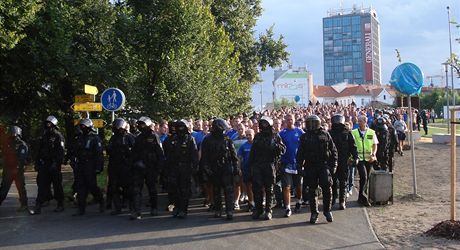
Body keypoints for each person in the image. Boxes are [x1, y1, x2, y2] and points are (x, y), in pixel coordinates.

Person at [297, 115, 337, 224]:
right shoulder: (304, 137)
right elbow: (300, 153)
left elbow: (333, 151)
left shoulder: (325, 134)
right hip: (310, 166)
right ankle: (314, 213)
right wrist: (299, 166)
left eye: (314, 123)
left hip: (323, 165)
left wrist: (334, 165)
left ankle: (327, 210)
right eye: (310, 123)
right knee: (312, 190)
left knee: (327, 187)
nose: (312, 126)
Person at [201, 118, 240, 220]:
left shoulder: (227, 139)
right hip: (214, 168)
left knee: (229, 190)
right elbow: (204, 157)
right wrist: (206, 169)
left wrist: (236, 169)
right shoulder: (207, 140)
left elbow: (233, 155)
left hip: (226, 167)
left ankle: (229, 210)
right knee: (216, 190)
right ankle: (218, 210)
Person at [249, 116, 286, 220]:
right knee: (257, 188)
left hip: (270, 165)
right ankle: (258, 209)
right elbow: (253, 152)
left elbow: (283, 150)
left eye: (266, 124)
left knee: (269, 189)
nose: (264, 126)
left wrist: (276, 146)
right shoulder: (257, 136)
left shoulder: (275, 136)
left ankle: (268, 210)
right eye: (262, 124)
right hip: (257, 165)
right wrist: (251, 165)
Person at [130, 116, 165, 220]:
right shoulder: (138, 137)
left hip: (151, 167)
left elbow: (160, 154)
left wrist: (159, 169)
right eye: (139, 124)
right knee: (136, 189)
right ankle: (136, 211)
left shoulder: (154, 137)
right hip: (139, 168)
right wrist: (134, 163)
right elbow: (134, 153)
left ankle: (154, 208)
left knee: (152, 189)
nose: (140, 126)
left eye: (143, 124)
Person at [164, 120, 199, 218]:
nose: (180, 129)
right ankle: (177, 208)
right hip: (174, 167)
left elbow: (194, 154)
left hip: (185, 167)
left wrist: (194, 167)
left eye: (181, 127)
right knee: (175, 189)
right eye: (178, 127)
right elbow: (167, 153)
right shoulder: (172, 139)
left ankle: (183, 209)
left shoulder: (190, 139)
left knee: (184, 189)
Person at [31, 116, 65, 215]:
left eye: (49, 124)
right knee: (41, 184)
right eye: (46, 124)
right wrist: (37, 163)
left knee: (57, 185)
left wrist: (56, 163)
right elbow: (39, 151)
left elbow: (61, 152)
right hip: (44, 164)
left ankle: (60, 204)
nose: (47, 125)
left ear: (54, 125)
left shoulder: (58, 136)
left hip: (54, 164)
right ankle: (38, 205)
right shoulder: (43, 136)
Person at [72, 118, 105, 216]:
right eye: (81, 126)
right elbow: (75, 151)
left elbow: (99, 154)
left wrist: (98, 167)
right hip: (81, 165)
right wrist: (73, 161)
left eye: (83, 126)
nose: (82, 128)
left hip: (90, 165)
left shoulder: (95, 138)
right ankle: (81, 208)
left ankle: (101, 201)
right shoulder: (80, 138)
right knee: (80, 187)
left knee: (92, 186)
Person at [107, 118, 136, 215]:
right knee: (114, 187)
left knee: (129, 188)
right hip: (115, 166)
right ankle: (117, 207)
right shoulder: (113, 138)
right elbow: (109, 151)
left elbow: (135, 152)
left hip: (127, 166)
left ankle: (132, 207)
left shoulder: (129, 137)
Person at [329, 114, 358, 210]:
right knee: (332, 181)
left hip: (344, 160)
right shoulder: (329, 133)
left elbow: (353, 146)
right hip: (332, 161)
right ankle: (333, 199)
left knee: (343, 182)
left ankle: (342, 201)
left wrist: (355, 157)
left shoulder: (347, 133)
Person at [279, 114, 304, 217]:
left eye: (291, 119)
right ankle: (288, 208)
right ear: (285, 121)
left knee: (298, 186)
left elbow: (305, 146)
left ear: (294, 120)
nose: (290, 121)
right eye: (288, 120)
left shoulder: (300, 132)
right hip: (286, 164)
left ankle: (298, 201)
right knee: (286, 186)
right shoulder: (282, 133)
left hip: (297, 164)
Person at [351, 115, 378, 207]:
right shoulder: (354, 132)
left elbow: (375, 144)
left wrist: (373, 154)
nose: (359, 123)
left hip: (369, 158)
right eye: (358, 121)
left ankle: (360, 197)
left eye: (360, 121)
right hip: (359, 159)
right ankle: (364, 198)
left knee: (366, 178)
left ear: (365, 122)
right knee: (364, 176)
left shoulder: (371, 132)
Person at [0, 126, 29, 211]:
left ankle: (24, 205)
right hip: (8, 170)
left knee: (21, 188)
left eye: (14, 135)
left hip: (17, 171)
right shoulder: (7, 144)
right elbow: (4, 155)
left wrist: (18, 167)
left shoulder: (22, 144)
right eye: (12, 135)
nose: (13, 137)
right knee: (3, 189)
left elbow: (22, 158)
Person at [237, 128, 255, 212]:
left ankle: (260, 202)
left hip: (256, 169)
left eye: (250, 135)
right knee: (248, 187)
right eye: (247, 135)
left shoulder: (257, 145)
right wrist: (239, 168)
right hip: (246, 169)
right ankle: (251, 203)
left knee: (258, 187)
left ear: (253, 135)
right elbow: (239, 158)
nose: (248, 136)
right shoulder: (243, 146)